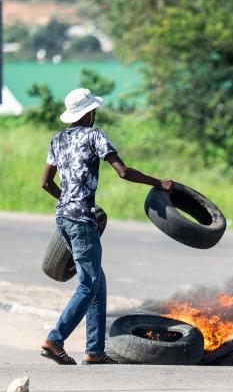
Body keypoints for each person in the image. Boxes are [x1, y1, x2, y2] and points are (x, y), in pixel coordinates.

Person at [39, 88, 174, 365]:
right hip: (81, 220)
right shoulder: (94, 135)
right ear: (89, 112)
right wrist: (158, 183)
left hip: (63, 218)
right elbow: (123, 172)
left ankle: (95, 350)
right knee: (88, 285)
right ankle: (55, 339)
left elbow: (45, 183)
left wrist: (66, 200)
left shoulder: (57, 139)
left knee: (97, 283)